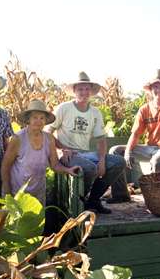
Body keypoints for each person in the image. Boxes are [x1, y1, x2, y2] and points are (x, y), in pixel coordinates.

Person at [46, 71, 126, 214]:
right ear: (75, 91)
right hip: (66, 155)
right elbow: (47, 132)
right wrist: (62, 149)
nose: (84, 92)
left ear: (91, 91)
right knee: (89, 168)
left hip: (85, 154)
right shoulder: (64, 108)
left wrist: (101, 160)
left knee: (118, 162)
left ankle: (93, 201)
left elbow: (101, 140)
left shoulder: (95, 113)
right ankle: (78, 203)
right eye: (80, 89)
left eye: (87, 89)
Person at [108, 69, 160, 203]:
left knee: (156, 161)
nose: (158, 89)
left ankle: (158, 200)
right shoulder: (144, 109)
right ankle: (120, 195)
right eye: (155, 86)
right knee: (115, 151)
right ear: (150, 89)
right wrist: (127, 152)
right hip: (149, 148)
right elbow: (136, 134)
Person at [0, 99, 79, 206]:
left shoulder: (49, 138)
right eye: (35, 117)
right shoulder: (17, 139)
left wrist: (67, 170)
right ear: (28, 120)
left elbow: (55, 164)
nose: (39, 121)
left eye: (42, 118)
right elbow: (6, 166)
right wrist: (7, 190)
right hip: (17, 192)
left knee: (38, 221)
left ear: (45, 121)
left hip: (38, 192)